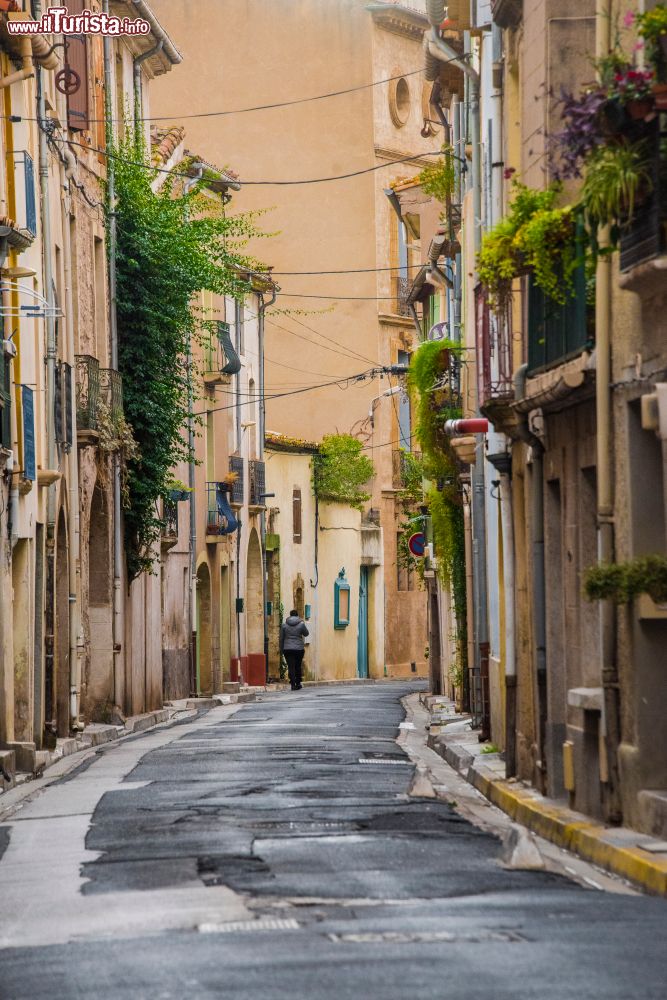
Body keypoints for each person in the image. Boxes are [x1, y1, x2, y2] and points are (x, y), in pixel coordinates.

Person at [280, 610, 309, 691]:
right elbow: (306, 634)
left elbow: (281, 638)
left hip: (288, 648)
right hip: (299, 649)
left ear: (290, 615)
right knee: (298, 666)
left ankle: (292, 684)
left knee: (291, 666)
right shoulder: (301, 624)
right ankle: (298, 683)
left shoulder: (284, 625)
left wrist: (281, 649)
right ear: (297, 615)